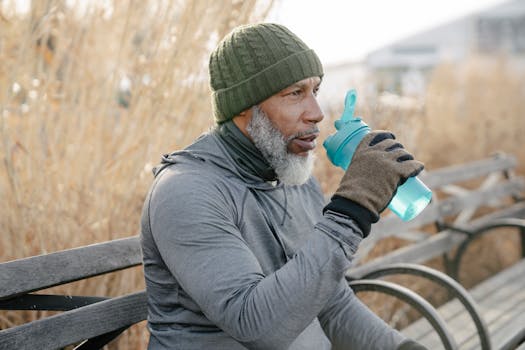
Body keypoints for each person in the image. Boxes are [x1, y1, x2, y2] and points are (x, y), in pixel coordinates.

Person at [140, 22, 427, 350]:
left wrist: (403, 348)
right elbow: (257, 326)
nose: (317, 113)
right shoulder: (187, 191)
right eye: (295, 94)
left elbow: (332, 304)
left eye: (315, 91)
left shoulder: (293, 177)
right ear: (244, 106)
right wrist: (352, 210)